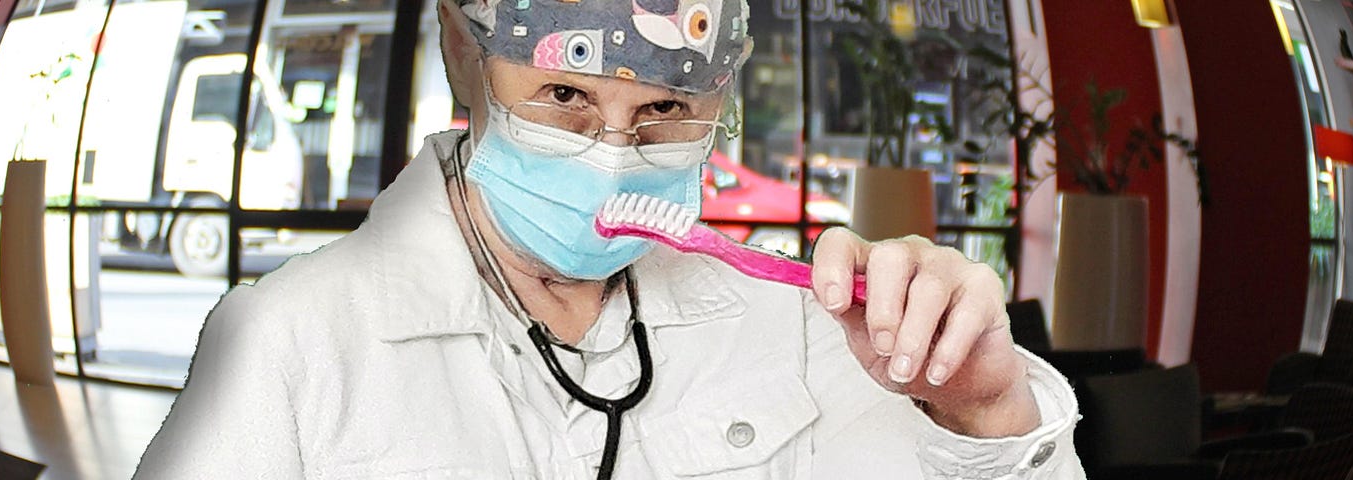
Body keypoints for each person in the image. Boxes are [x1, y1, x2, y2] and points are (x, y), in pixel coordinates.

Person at [135, 0, 1084, 478]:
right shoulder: (290, 343)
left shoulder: (806, 330)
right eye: (565, 97)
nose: (612, 158)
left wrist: (985, 413)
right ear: (468, 57)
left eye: (667, 108)